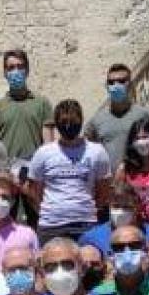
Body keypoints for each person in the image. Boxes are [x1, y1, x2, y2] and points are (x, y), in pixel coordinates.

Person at [26, 100, 112, 242]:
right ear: (56, 123)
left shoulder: (97, 151)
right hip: (51, 226)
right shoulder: (44, 153)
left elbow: (104, 190)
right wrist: (49, 211)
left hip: (86, 224)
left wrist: (85, 208)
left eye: (73, 120)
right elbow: (34, 191)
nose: (68, 125)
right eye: (64, 121)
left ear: (81, 120)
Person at [0, 49, 56, 175]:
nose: (15, 71)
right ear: (5, 73)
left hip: (34, 173)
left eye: (20, 66)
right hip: (6, 174)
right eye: (11, 68)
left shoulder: (42, 103)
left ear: (27, 71)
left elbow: (48, 145)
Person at [84, 64, 149, 172]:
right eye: (111, 82)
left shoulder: (144, 116)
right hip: (110, 185)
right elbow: (87, 154)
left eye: (121, 81)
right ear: (106, 86)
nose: (116, 85)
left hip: (140, 183)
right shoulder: (96, 121)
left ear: (131, 85)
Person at [79, 182, 149, 258]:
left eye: (126, 207)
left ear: (138, 207)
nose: (121, 211)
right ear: (109, 206)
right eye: (116, 206)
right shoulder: (91, 238)